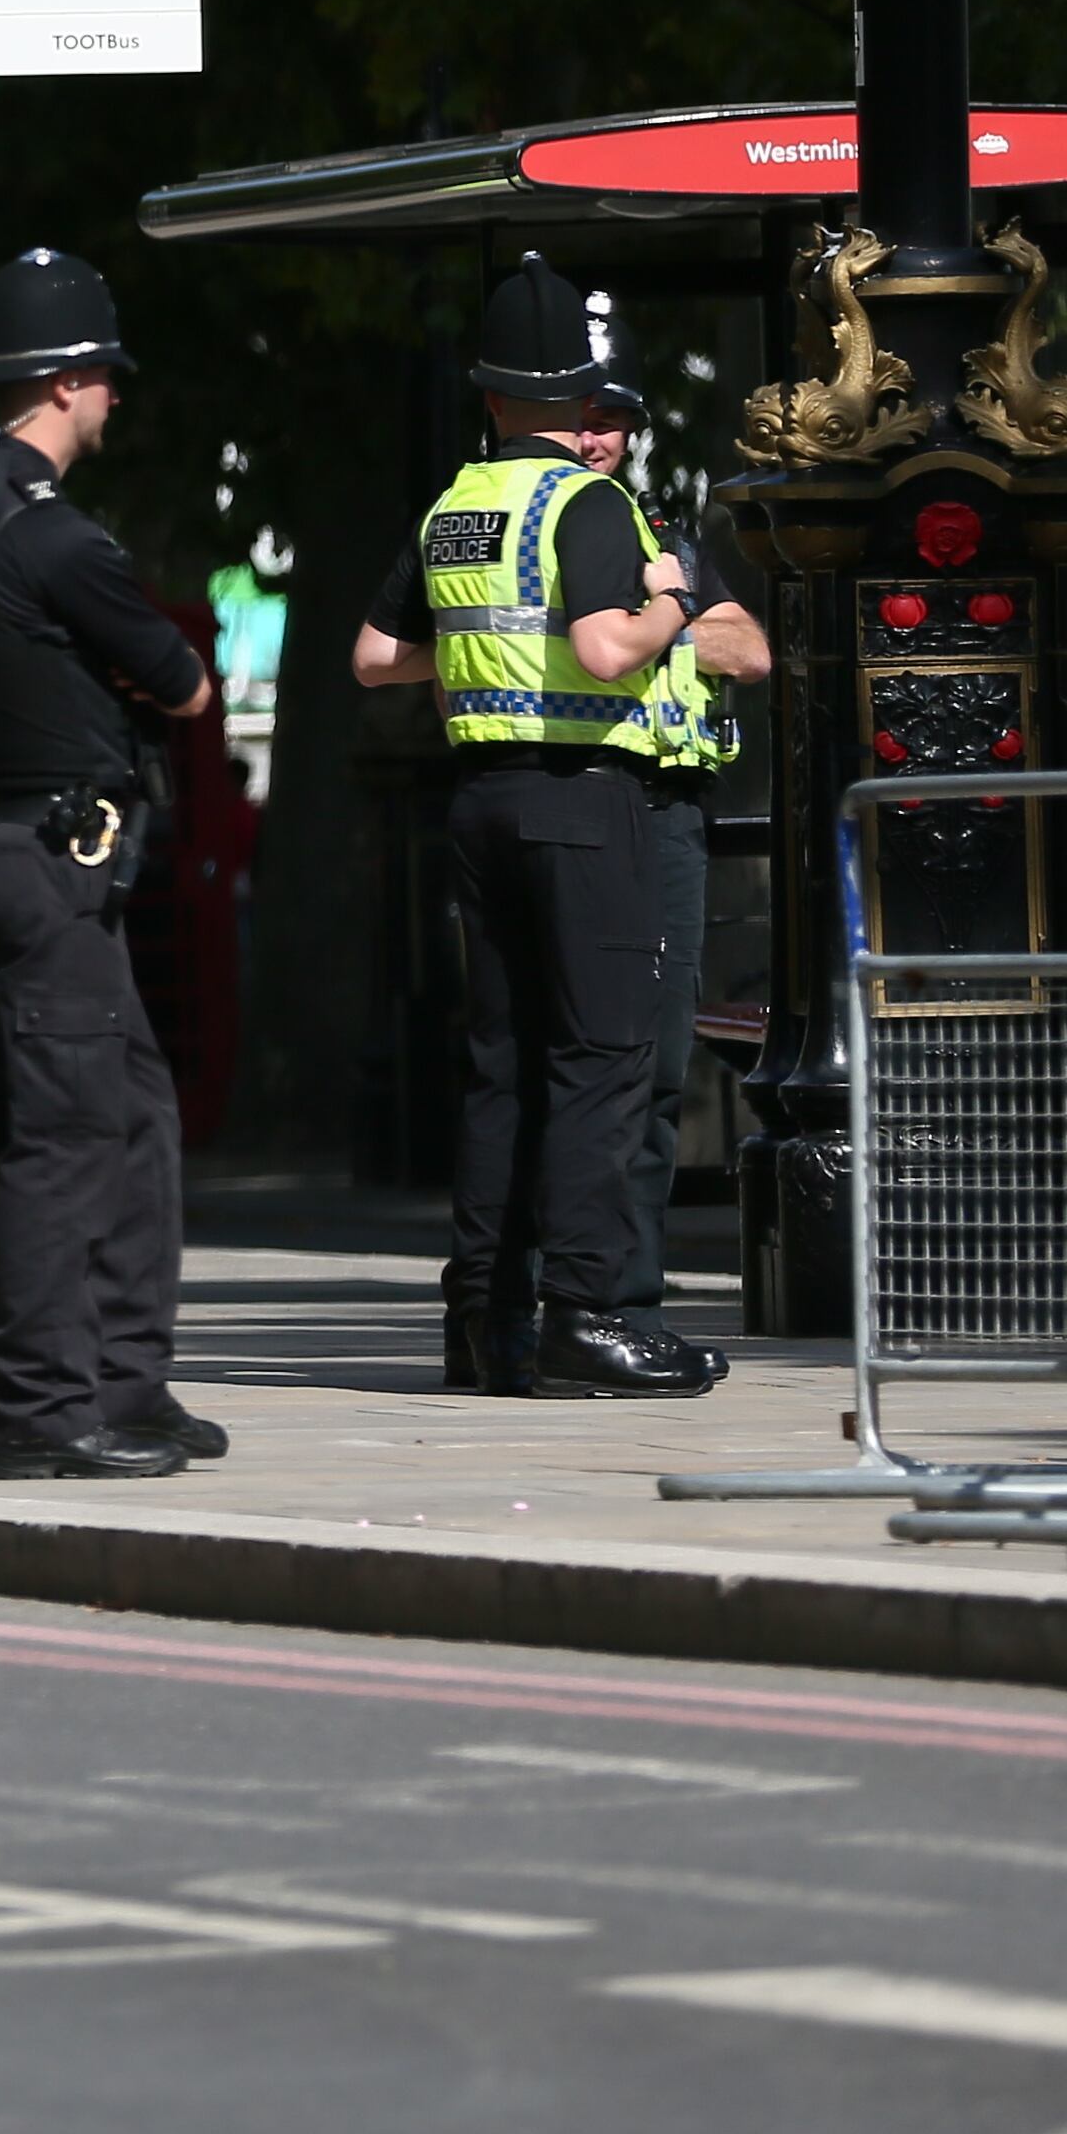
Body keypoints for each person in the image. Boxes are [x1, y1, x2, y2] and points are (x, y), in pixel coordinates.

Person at [351, 253, 724, 1400]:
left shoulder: (455, 506)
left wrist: (480, 661)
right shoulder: (588, 501)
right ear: (575, 395)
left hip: (479, 805)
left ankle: (481, 1319)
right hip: (582, 801)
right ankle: (589, 1313)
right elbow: (611, 648)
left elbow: (371, 659)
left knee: (501, 1065)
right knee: (601, 1060)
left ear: (490, 395)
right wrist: (673, 596)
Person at [0, 252, 216, 1478]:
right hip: (49, 852)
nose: (115, 406)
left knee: (132, 1114)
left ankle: (126, 1382)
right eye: (106, 382)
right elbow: (186, 687)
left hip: (3, 847)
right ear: (73, 382)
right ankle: (46, 1407)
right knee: (70, 1131)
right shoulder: (55, 537)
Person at [590, 360, 771, 1322]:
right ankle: (573, 1287)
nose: (597, 439)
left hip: (667, 815)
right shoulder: (548, 535)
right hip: (578, 806)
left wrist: (650, 621)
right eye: (581, 420)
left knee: (661, 1062)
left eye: (613, 422)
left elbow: (747, 648)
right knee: (579, 1062)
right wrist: (662, 620)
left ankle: (634, 1295)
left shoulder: (665, 540)